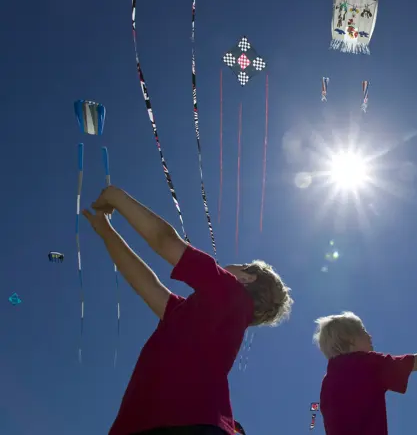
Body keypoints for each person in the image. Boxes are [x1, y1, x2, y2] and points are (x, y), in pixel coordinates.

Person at [83, 186, 293, 435]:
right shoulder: (194, 313)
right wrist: (106, 231)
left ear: (248, 279)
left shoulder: (228, 288)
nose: (234, 264)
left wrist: (115, 196)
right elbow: (146, 284)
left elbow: (165, 241)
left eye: (244, 265)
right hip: (161, 423)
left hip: (179, 423)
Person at [313, 311, 417, 435]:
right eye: (363, 331)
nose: (370, 336)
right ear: (350, 339)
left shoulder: (327, 382)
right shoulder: (367, 364)